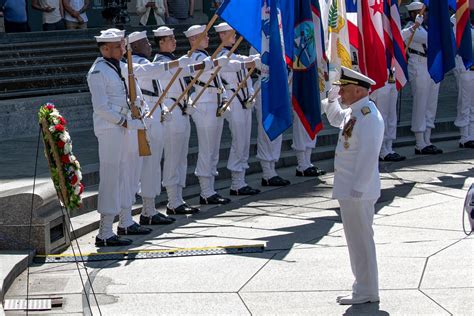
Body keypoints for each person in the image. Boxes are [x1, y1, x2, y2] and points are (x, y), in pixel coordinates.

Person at [322, 66, 383, 305]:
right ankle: (362, 287)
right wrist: (331, 101)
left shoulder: (369, 116)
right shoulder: (354, 112)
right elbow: (337, 119)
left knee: (362, 241)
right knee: (355, 240)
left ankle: (368, 290)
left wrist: (359, 187)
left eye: (344, 90)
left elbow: (369, 155)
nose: (341, 93)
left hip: (358, 191)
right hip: (350, 189)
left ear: (358, 91)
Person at [87, 29, 150, 247]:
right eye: (119, 45)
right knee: (111, 176)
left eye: (123, 44)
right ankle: (104, 231)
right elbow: (101, 107)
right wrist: (125, 122)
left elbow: (135, 93)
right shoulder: (97, 72)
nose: (124, 48)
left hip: (128, 127)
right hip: (111, 129)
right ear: (105, 49)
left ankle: (125, 220)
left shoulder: (122, 66)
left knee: (128, 174)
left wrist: (141, 110)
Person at [152, 26, 212, 215]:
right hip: (172, 110)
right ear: (160, 42)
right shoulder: (160, 62)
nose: (174, 41)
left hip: (182, 109)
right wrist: (196, 65)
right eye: (169, 39)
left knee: (181, 158)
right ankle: (172, 200)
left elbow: (187, 70)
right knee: (173, 157)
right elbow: (182, 72)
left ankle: (178, 198)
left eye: (173, 38)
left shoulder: (172, 60)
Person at [127, 30, 178, 225]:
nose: (150, 45)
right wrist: (177, 63)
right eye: (145, 42)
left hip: (155, 114)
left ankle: (151, 207)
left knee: (154, 162)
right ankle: (148, 210)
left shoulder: (147, 63)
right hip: (147, 118)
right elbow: (152, 72)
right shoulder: (137, 64)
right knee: (149, 163)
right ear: (135, 47)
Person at [184, 24, 231, 205]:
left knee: (213, 149)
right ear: (193, 40)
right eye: (204, 36)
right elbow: (196, 69)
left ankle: (210, 188)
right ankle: (205, 191)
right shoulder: (194, 57)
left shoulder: (205, 56)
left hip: (214, 102)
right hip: (203, 104)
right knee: (207, 148)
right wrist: (216, 63)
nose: (208, 38)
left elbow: (216, 77)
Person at [214, 22, 261, 196]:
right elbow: (236, 64)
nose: (235, 36)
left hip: (243, 102)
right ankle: (236, 182)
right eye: (231, 33)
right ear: (222, 35)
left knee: (244, 140)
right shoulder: (221, 56)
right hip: (233, 102)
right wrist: (254, 60)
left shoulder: (234, 55)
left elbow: (242, 62)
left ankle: (240, 180)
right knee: (239, 139)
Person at [402, 0, 443, 155]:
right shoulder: (410, 29)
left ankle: (428, 139)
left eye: (425, 11)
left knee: (431, 103)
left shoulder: (426, 27)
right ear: (413, 14)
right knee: (421, 103)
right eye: (420, 12)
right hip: (419, 64)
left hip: (431, 63)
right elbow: (430, 39)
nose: (424, 14)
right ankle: (420, 142)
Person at [249, 47, 291, 187]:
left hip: (277, 86)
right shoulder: (258, 42)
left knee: (276, 131)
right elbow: (259, 64)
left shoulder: (280, 41)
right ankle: (267, 172)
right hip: (264, 86)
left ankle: (272, 170)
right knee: (266, 131)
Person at [370, 68, 406, 161]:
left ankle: (389, 147)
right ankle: (382, 150)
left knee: (392, 115)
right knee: (382, 115)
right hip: (380, 75)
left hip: (392, 74)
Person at [451, 14, 474, 148]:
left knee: (472, 103)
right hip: (463, 66)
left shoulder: (470, 22)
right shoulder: (456, 19)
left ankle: (472, 134)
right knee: (464, 102)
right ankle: (464, 136)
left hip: (472, 67)